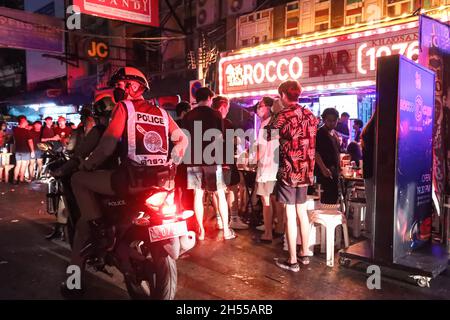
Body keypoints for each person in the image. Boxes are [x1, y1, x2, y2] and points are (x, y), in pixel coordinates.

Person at [65, 67, 188, 294]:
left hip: (129, 181)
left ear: (133, 86)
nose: (117, 91)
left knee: (79, 179)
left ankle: (97, 227)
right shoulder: (162, 113)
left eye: (120, 86)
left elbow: (108, 145)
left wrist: (88, 165)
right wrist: (173, 161)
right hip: (160, 183)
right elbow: (181, 139)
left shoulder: (124, 107)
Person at [268, 80, 318, 272]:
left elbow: (268, 136)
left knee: (290, 214)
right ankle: (305, 253)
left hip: (289, 170)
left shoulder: (283, 115)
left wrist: (275, 113)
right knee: (301, 212)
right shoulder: (310, 115)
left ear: (282, 95)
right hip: (306, 171)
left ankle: (292, 260)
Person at [184, 87, 236, 241]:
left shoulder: (188, 116)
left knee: (198, 195)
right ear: (208, 97)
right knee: (220, 193)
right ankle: (226, 231)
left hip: (193, 159)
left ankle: (200, 232)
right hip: (212, 159)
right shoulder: (216, 114)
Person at [211, 95, 248, 230]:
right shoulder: (226, 123)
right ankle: (233, 218)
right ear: (222, 107)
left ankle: (219, 218)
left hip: (211, 163)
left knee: (215, 191)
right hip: (226, 161)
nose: (228, 110)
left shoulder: (206, 123)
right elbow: (233, 144)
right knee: (232, 189)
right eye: (227, 108)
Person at [254, 96, 279, 243]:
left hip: (266, 168)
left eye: (261, 105)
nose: (259, 108)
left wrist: (252, 160)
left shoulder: (265, 124)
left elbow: (262, 150)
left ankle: (268, 232)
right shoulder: (276, 123)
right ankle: (276, 228)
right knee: (274, 200)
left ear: (268, 107)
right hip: (275, 168)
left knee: (266, 201)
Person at [315, 108, 341, 204]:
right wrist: (323, 168)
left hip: (334, 171)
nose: (332, 123)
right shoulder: (320, 133)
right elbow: (316, 152)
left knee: (333, 198)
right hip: (324, 172)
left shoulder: (334, 134)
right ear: (324, 120)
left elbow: (337, 152)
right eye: (329, 120)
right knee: (326, 199)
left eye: (334, 120)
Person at [173, 101, 193, 211]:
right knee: (188, 189)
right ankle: (188, 212)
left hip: (176, 160)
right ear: (184, 111)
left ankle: (177, 209)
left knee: (177, 187)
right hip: (188, 160)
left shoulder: (173, 125)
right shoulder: (188, 124)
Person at [361, 112, 376, 238]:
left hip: (368, 171)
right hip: (375, 171)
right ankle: (371, 230)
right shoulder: (377, 131)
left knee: (370, 201)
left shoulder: (367, 130)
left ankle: (369, 230)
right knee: (374, 202)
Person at [12, 116, 31, 184]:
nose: (27, 122)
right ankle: (21, 180)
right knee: (23, 165)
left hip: (18, 150)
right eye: (26, 121)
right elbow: (30, 141)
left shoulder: (15, 130)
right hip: (25, 150)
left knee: (18, 165)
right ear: (23, 121)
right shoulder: (26, 131)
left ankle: (14, 179)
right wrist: (32, 151)